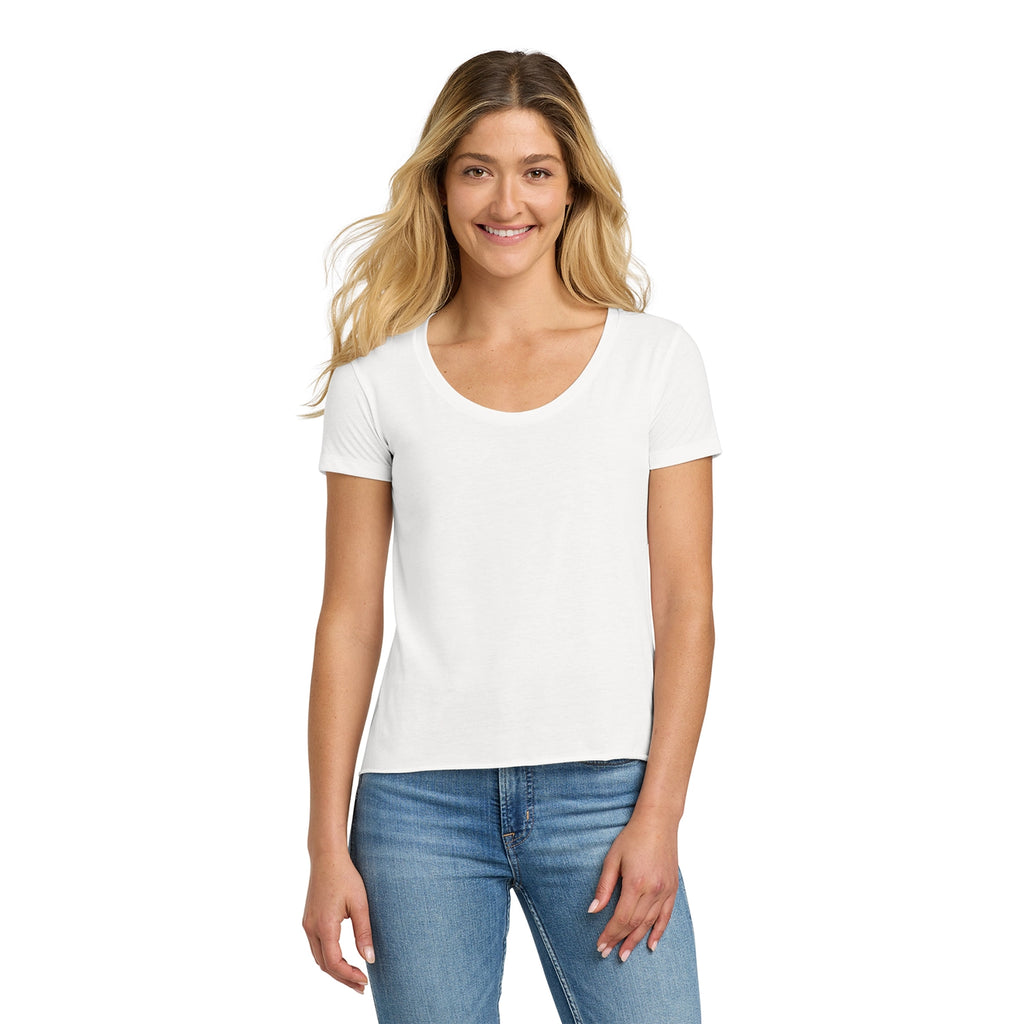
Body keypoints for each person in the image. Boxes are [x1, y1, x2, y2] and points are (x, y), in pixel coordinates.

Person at [302, 50, 720, 1024]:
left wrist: (659, 813)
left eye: (535, 170)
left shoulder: (655, 361)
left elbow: (686, 606)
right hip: (415, 810)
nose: (507, 201)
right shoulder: (376, 381)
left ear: (573, 188)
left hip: (606, 797)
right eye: (477, 169)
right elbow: (347, 620)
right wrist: (326, 844)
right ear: (440, 185)